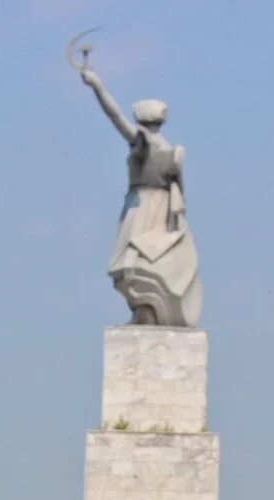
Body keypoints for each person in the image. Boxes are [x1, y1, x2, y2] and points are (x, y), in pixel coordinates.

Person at [79, 65, 203, 328]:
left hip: (145, 207)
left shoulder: (144, 142)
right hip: (160, 207)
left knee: (134, 262)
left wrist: (98, 86)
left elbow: (115, 117)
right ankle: (145, 311)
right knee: (141, 263)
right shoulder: (170, 149)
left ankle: (148, 312)